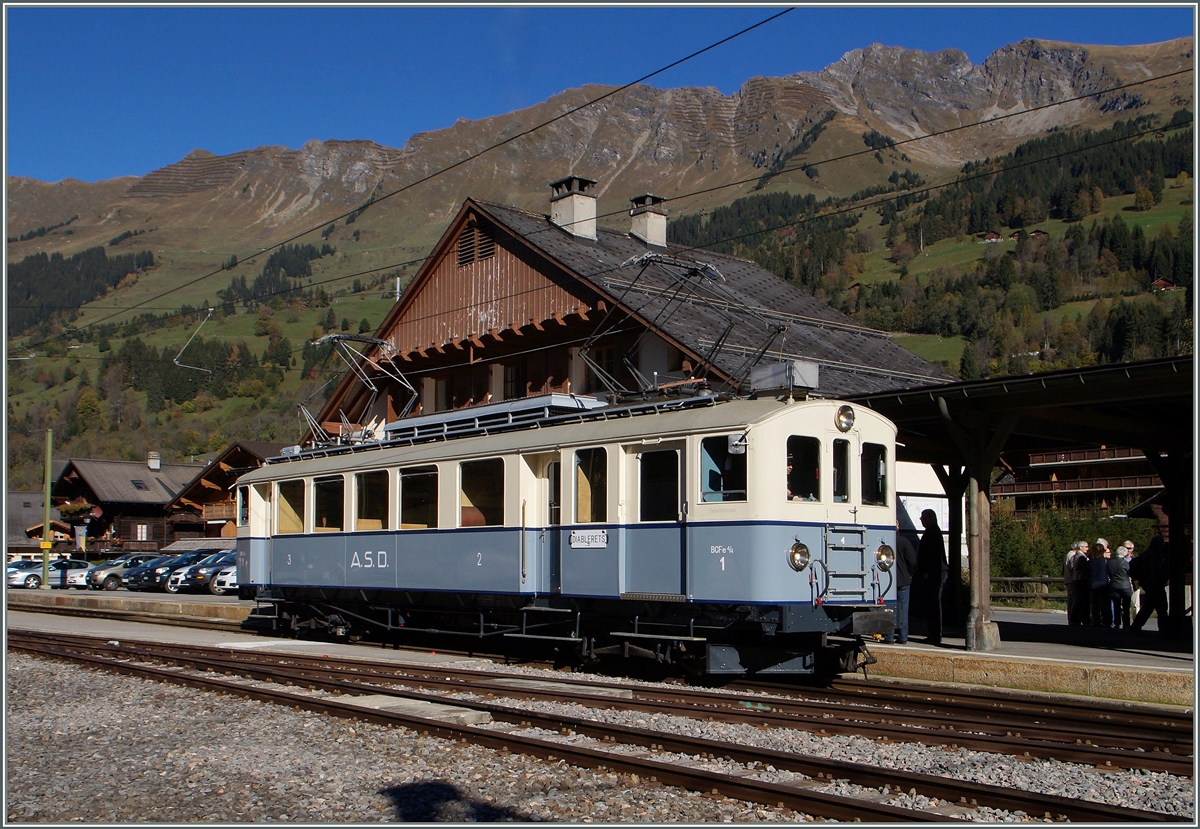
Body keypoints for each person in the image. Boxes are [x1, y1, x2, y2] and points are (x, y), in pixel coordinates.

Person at [915, 509, 947, 645]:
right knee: (931, 604)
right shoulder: (932, 531)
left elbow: (932, 554)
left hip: (934, 573)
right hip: (933, 572)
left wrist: (926, 571)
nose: (921, 520)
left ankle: (935, 634)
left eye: (923, 517)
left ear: (930, 518)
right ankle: (933, 633)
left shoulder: (933, 532)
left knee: (934, 604)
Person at [883, 526, 918, 644]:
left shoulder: (884, 543)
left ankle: (889, 636)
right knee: (903, 609)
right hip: (903, 579)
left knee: (889, 609)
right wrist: (910, 573)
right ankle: (903, 636)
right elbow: (912, 561)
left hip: (888, 581)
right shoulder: (904, 542)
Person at [1131, 535, 1169, 636]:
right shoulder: (1153, 555)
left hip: (1150, 584)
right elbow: (1151, 570)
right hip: (1154, 584)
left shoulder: (1148, 554)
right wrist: (1155, 580)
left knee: (1149, 606)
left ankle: (1136, 625)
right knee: (1161, 608)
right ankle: (1163, 629)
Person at [1063, 541, 1091, 626]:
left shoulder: (1074, 556)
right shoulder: (1081, 557)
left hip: (1076, 580)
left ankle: (1075, 619)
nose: (1087, 548)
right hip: (1080, 580)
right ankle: (1080, 619)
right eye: (1086, 547)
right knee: (1080, 601)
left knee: (1077, 601)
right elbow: (1087, 568)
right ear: (1081, 547)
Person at [1108, 539, 1133, 629]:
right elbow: (1130, 573)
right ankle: (1126, 624)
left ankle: (1116, 623)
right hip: (1125, 585)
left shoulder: (1111, 562)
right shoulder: (1125, 563)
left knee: (1116, 605)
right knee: (1126, 607)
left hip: (1114, 585)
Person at [1088, 539, 1113, 628]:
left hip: (1093, 584)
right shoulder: (1105, 561)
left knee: (1095, 605)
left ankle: (1096, 620)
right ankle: (1107, 621)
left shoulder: (1090, 561)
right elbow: (1111, 572)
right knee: (1106, 604)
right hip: (1104, 584)